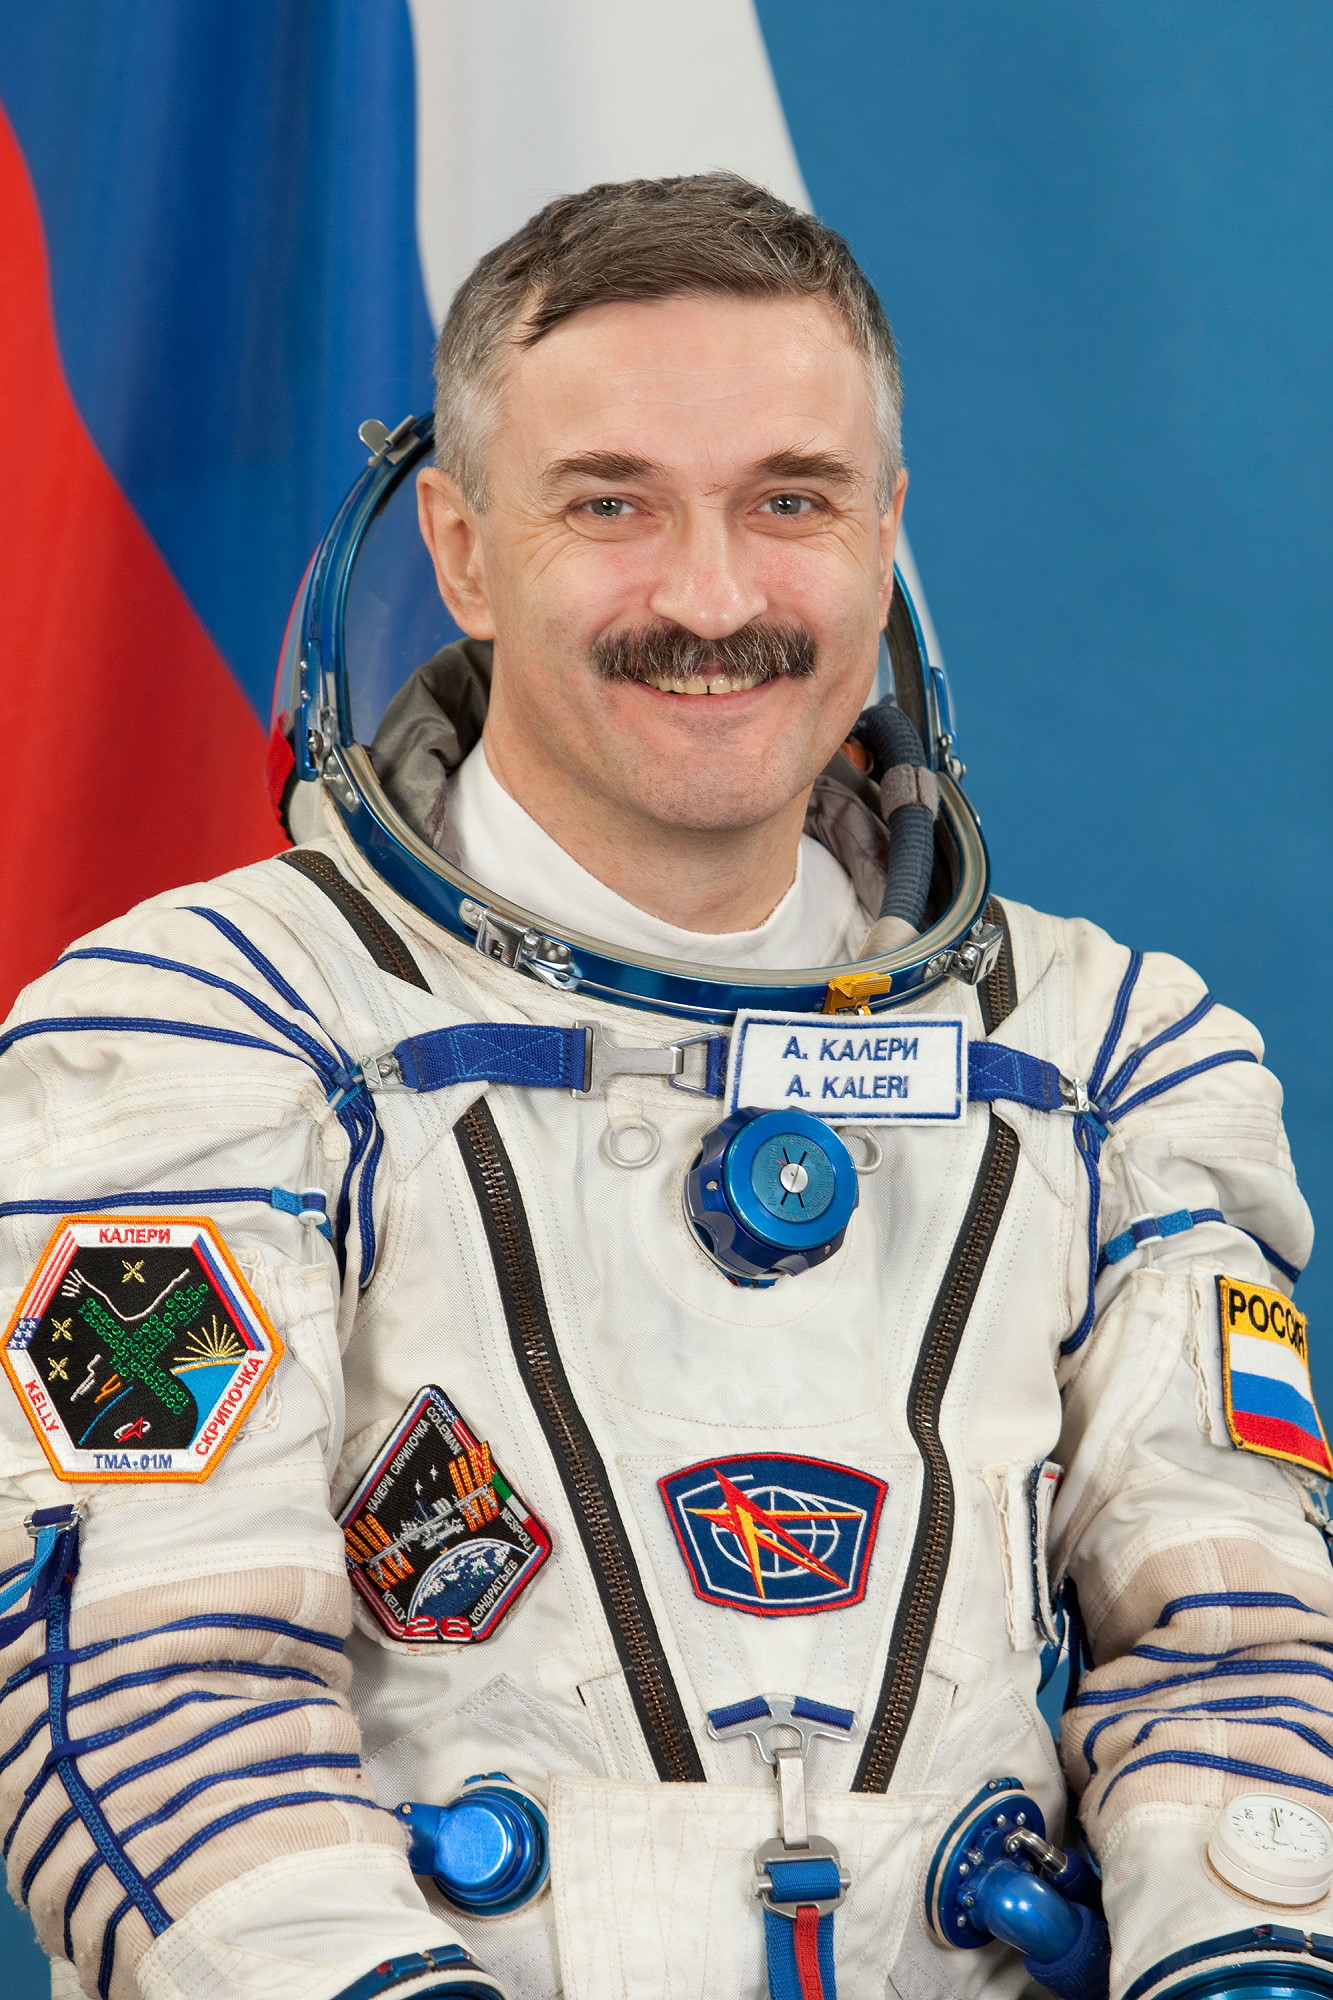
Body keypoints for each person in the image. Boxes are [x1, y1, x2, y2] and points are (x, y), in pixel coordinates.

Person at [0, 173, 1328, 2000]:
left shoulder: (1106, 1061)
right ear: (463, 549)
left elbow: (1242, 1652)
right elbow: (149, 1700)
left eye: (790, 501)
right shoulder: (205, 1038)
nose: (711, 598)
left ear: (883, 532)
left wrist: (1247, 1950)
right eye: (609, 503)